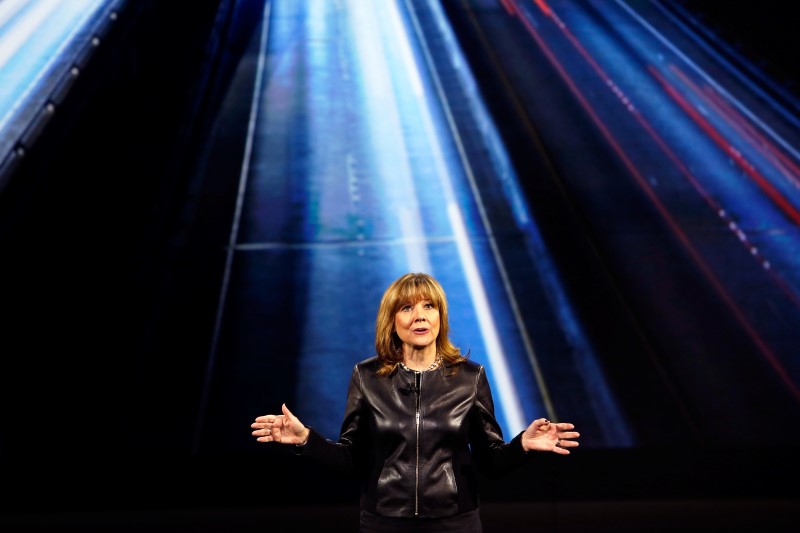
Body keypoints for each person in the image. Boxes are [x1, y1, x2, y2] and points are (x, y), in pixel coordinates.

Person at [250, 272, 579, 532]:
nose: (419, 316)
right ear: (392, 321)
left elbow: (490, 461)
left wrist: (523, 444)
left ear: (440, 316)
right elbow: (351, 459)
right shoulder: (367, 377)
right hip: (384, 522)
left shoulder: (470, 377)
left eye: (428, 306)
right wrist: (306, 440)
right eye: (407, 308)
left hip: (455, 523)